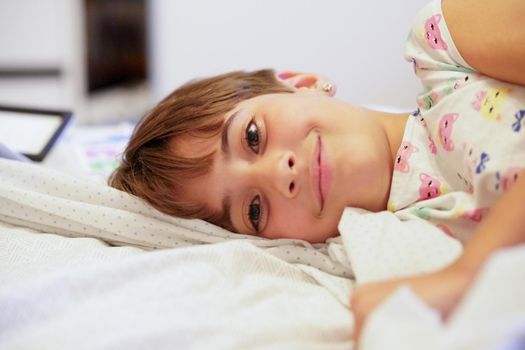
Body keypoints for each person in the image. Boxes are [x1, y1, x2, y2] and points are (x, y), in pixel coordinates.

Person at [109, 0, 525, 345]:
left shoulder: (444, 49)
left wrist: (465, 276)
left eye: (253, 137)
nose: (277, 175)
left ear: (301, 82)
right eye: (254, 211)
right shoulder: (400, 250)